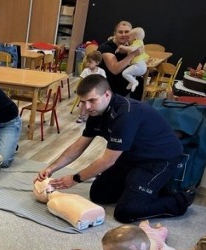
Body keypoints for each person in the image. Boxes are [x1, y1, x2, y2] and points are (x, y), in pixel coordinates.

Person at [36, 75, 195, 223]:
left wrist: (75, 178)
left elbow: (108, 160)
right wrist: (52, 167)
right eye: (83, 102)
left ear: (107, 94)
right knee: (99, 194)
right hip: (130, 156)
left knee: (125, 212)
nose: (87, 107)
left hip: (158, 160)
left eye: (92, 100)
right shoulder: (96, 112)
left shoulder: (125, 114)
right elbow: (80, 145)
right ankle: (141, 189)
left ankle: (180, 199)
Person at [97, 21, 144, 100]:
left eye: (127, 32)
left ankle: (135, 107)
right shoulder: (106, 48)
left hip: (121, 80)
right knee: (137, 80)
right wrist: (133, 54)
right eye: (120, 32)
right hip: (107, 84)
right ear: (115, 33)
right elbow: (115, 70)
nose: (124, 34)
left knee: (139, 78)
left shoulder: (129, 46)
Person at [115, 27, 149, 93]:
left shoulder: (138, 42)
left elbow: (132, 49)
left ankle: (134, 82)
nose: (127, 39)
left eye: (129, 37)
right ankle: (132, 81)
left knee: (125, 73)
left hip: (140, 66)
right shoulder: (136, 43)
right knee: (130, 72)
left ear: (135, 38)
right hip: (139, 66)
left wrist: (122, 47)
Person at [77, 50, 106, 123]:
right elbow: (82, 81)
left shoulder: (101, 71)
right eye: (87, 62)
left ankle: (88, 116)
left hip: (96, 92)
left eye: (90, 62)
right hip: (86, 91)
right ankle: (81, 116)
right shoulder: (86, 71)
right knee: (83, 103)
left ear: (97, 63)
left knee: (93, 104)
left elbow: (103, 82)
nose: (87, 64)